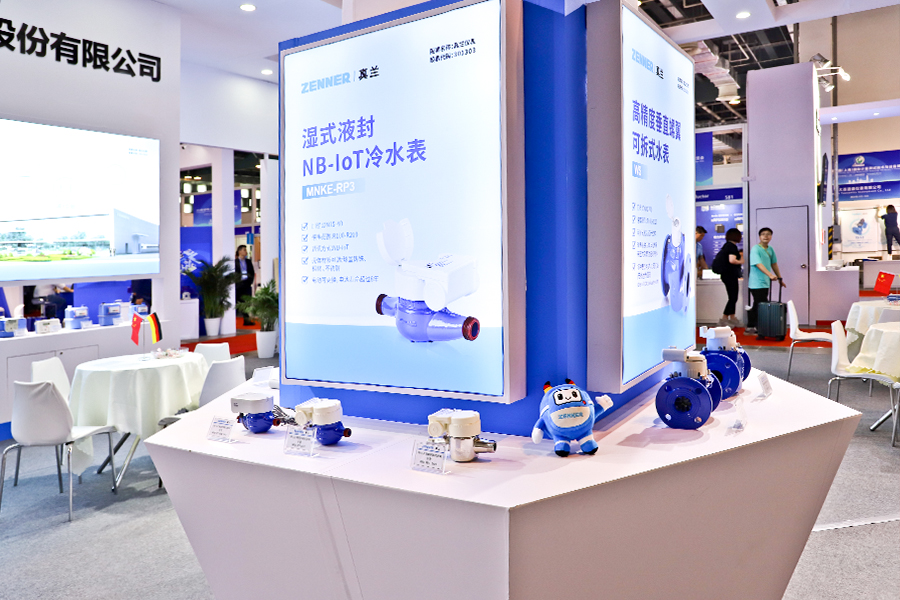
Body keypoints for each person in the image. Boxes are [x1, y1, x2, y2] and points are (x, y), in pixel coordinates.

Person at [745, 227, 785, 335]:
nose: (765, 236)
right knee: (761, 304)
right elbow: (758, 264)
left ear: (771, 237)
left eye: (768, 234)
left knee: (759, 304)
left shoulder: (770, 249)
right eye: (763, 234)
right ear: (759, 236)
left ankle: (752, 326)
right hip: (756, 283)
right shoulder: (755, 249)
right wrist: (770, 275)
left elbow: (774, 264)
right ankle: (753, 326)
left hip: (765, 282)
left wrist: (779, 278)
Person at [712, 228, 743, 327]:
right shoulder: (731, 246)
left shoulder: (726, 246)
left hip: (727, 275)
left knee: (732, 297)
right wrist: (742, 261)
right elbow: (732, 260)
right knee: (733, 297)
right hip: (730, 275)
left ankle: (732, 317)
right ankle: (724, 319)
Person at [234, 245, 255, 324]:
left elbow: (252, 272)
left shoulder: (248, 261)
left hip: (246, 284)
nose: (246, 251)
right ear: (239, 251)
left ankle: (246, 321)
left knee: (246, 303)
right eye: (244, 250)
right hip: (238, 285)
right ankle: (235, 321)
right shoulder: (235, 262)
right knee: (238, 303)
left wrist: (250, 282)